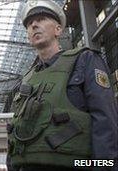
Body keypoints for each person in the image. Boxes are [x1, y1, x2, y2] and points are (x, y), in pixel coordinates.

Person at [7, 0, 118, 171]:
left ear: (58, 29)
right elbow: (16, 127)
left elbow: (105, 121)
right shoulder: (27, 79)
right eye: (29, 24)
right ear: (28, 37)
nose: (34, 25)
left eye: (42, 19)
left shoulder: (85, 60)